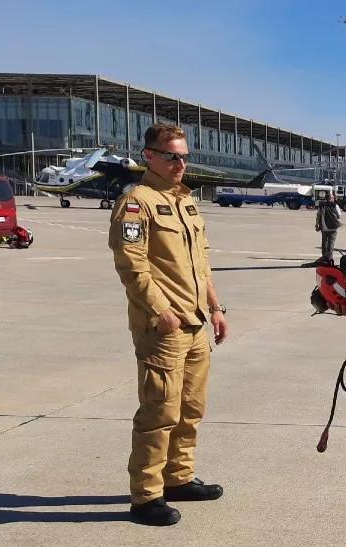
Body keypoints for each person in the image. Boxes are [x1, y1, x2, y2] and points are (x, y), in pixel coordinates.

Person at [107, 123, 229, 526]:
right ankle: (145, 496)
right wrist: (160, 311)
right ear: (150, 156)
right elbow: (132, 265)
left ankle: (178, 478)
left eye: (184, 156)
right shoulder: (136, 203)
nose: (180, 163)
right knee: (159, 410)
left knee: (191, 408)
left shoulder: (186, 203)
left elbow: (202, 264)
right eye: (172, 156)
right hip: (163, 327)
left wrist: (216, 308)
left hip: (195, 322)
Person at [314, 190, 342, 265]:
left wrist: (317, 225)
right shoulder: (335, 206)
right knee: (331, 243)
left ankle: (324, 257)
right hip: (333, 228)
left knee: (324, 243)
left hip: (324, 228)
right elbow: (339, 216)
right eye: (332, 198)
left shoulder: (322, 205)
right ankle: (329, 258)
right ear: (332, 199)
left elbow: (318, 216)